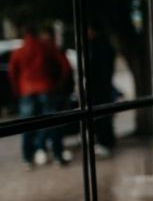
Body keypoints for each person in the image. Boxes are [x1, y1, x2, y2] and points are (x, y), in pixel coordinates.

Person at [8, 25, 71, 167]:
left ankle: (27, 158)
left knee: (27, 126)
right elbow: (65, 65)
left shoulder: (19, 51)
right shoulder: (46, 47)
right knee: (53, 122)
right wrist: (59, 84)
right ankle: (57, 155)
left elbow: (12, 74)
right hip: (46, 88)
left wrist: (17, 90)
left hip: (26, 90)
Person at [86, 24, 117, 156]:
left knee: (100, 116)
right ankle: (107, 140)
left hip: (97, 87)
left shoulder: (95, 46)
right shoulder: (106, 45)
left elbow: (94, 68)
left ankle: (104, 141)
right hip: (104, 86)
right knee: (104, 114)